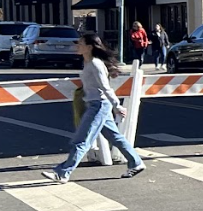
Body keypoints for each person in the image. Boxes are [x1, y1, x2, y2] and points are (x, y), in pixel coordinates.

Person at [39, 31, 146, 183]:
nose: (77, 46)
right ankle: (136, 162)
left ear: (89, 47)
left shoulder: (95, 64)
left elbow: (105, 87)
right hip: (96, 104)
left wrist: (117, 105)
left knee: (82, 140)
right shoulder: (88, 63)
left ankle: (63, 172)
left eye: (80, 43)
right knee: (114, 137)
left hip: (99, 105)